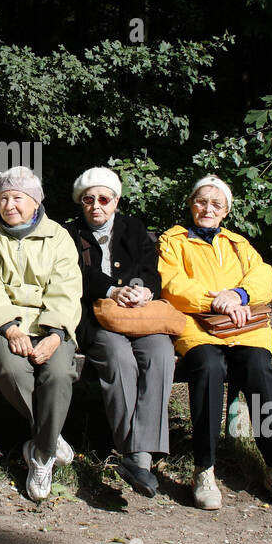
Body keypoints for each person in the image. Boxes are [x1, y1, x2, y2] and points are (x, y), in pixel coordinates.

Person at [158, 174, 272, 509]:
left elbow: (264, 275)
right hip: (199, 327)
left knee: (260, 370)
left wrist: (238, 295)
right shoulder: (173, 240)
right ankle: (203, 467)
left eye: (216, 204)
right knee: (207, 367)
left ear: (226, 211)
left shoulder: (238, 243)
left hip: (243, 326)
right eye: (202, 201)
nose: (208, 208)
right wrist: (215, 301)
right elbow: (171, 283)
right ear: (192, 205)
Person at [0, 166, 81, 502]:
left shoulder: (58, 236)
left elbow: (67, 288)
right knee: (14, 369)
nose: (9, 205)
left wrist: (56, 333)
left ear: (35, 202)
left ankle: (40, 453)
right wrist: (9, 327)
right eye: (3, 198)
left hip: (49, 324)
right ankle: (50, 441)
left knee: (58, 372)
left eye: (17, 198)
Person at [63, 167, 176, 497]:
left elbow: (150, 271)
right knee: (118, 357)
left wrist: (145, 292)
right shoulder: (69, 233)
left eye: (103, 199)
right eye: (88, 199)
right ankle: (134, 455)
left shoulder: (133, 228)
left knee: (160, 353)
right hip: (96, 318)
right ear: (80, 203)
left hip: (140, 317)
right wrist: (112, 290)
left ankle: (139, 457)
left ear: (115, 201)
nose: (96, 205)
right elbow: (73, 275)